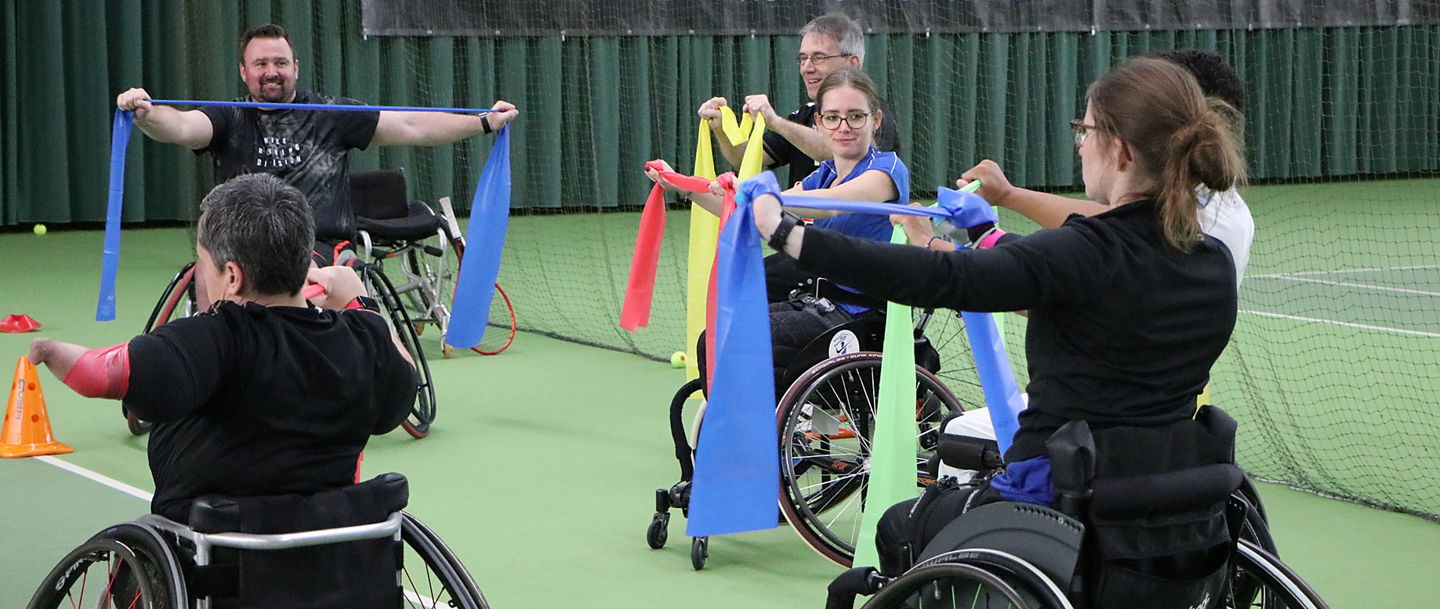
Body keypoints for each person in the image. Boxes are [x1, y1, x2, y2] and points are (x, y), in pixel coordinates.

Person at [750, 56, 1246, 569]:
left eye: (1086, 131)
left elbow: (949, 280)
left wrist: (788, 234)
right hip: (1169, 500)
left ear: (1118, 151)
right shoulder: (1211, 264)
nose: (1081, 146)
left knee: (899, 528)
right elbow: (1072, 289)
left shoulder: (1085, 252)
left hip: (1060, 492)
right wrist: (987, 234)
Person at [29, 173, 417, 524]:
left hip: (222, 558)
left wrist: (49, 350)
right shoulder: (362, 338)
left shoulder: (214, 338)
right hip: (333, 558)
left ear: (231, 276)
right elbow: (404, 382)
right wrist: (362, 303)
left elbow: (103, 374)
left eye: (203, 262)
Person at [115, 23, 518, 257]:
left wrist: (482, 123)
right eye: (260, 64)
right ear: (243, 72)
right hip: (242, 252)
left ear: (295, 67)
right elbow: (182, 128)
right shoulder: (228, 116)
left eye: (280, 63)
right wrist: (146, 114)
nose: (271, 72)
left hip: (320, 248)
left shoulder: (331, 113)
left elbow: (412, 127)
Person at [652, 67, 908, 397]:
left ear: (875, 120)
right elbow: (751, 212)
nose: (843, 127)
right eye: (832, 118)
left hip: (861, 318)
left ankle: (767, 438)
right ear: (819, 123)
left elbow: (829, 204)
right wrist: (682, 185)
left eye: (855, 117)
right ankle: (743, 436)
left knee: (741, 339)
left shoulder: (886, 170)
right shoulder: (827, 173)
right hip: (818, 304)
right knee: (713, 338)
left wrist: (758, 193)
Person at [909, 49, 1253, 286]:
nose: (1084, 145)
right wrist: (1009, 195)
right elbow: (1102, 220)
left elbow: (1028, 279)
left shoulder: (1196, 229)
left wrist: (928, 242)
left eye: (1088, 132)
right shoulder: (1199, 208)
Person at [697, 13, 900, 189]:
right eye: (803, 58)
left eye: (819, 57)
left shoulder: (873, 113)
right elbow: (743, 158)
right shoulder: (802, 116)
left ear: (852, 63)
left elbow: (841, 150)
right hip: (799, 231)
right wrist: (720, 128)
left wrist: (776, 123)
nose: (807, 68)